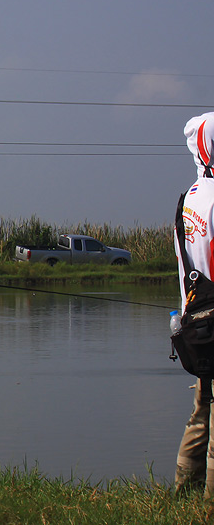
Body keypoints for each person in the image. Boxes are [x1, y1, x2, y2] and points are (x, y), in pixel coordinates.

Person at [174, 112, 214, 497]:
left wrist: (185, 321)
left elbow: (183, 268)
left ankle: (184, 492)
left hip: (196, 324)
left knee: (201, 411)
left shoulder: (187, 199)